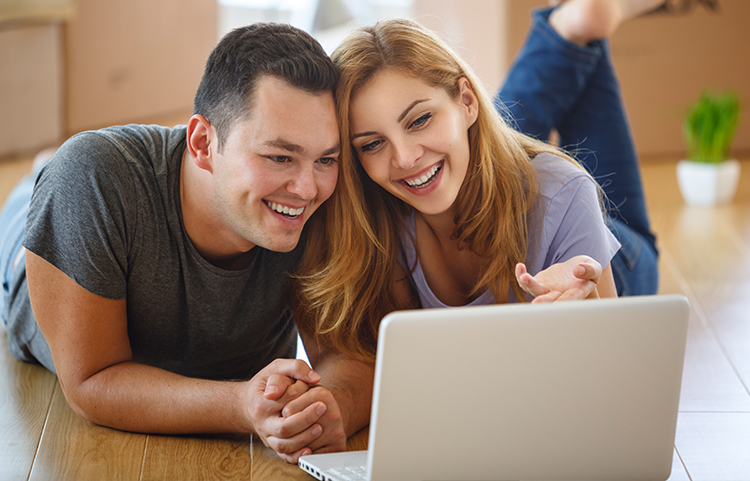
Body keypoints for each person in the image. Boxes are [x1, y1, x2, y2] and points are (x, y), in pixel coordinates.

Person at [0, 23, 371, 463]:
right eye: (279, 157)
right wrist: (240, 406)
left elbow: (352, 354)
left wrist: (334, 407)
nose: (308, 188)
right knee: (52, 184)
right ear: (202, 142)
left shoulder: (322, 199)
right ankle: (41, 172)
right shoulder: (92, 180)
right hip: (27, 250)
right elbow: (91, 381)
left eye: (325, 158)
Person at [292, 0, 660, 366]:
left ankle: (574, 27)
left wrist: (588, 299)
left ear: (467, 100)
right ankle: (574, 28)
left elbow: (609, 371)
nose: (403, 157)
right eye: (372, 143)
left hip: (615, 254)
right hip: (486, 173)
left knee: (533, 167)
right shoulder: (369, 218)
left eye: (419, 120)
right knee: (490, 144)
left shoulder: (564, 192)